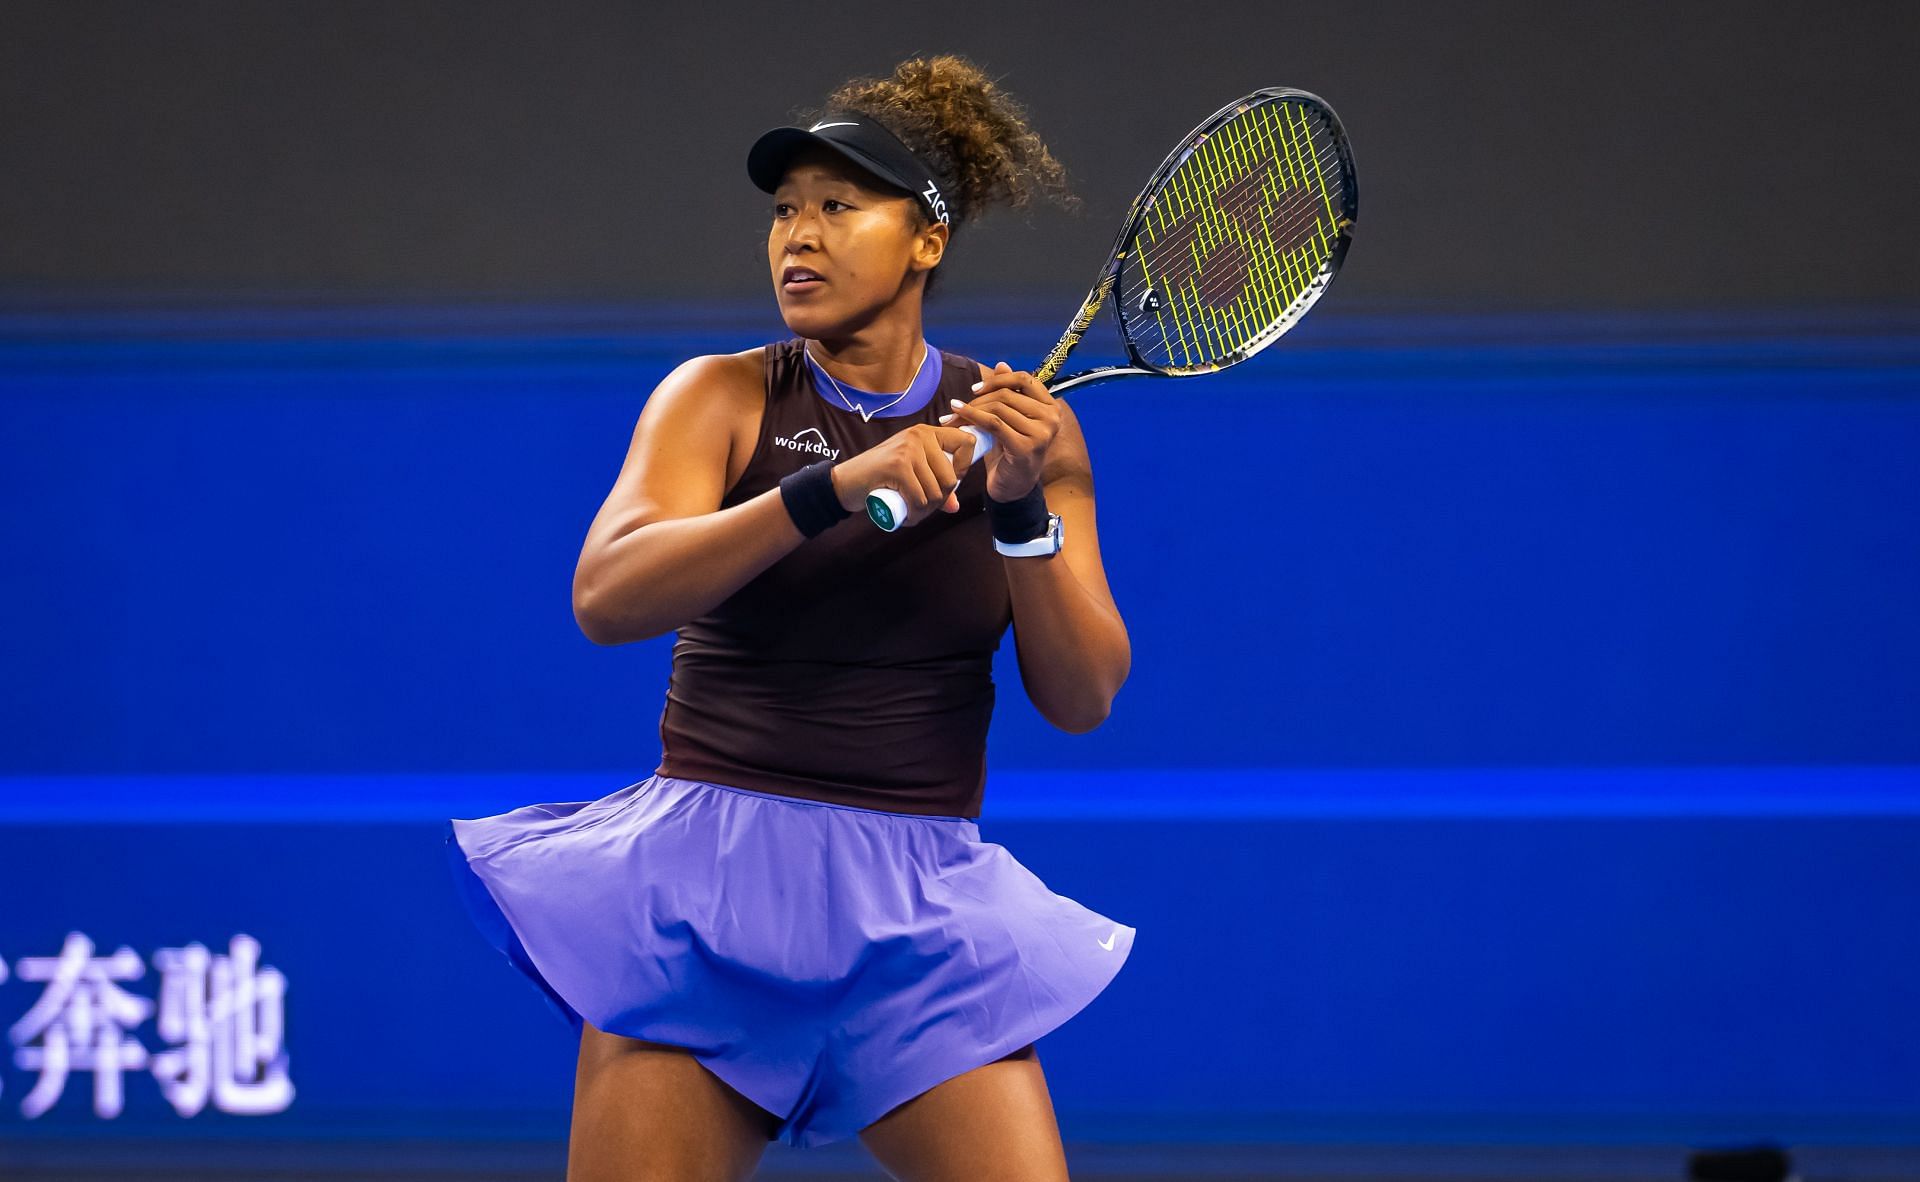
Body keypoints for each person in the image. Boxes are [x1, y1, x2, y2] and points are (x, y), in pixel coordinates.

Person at [445, 54, 1135, 1182]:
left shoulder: (1029, 439)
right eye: (784, 211)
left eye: (837, 206)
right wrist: (821, 493)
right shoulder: (721, 396)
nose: (797, 237)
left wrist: (1018, 512)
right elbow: (608, 594)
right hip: (704, 905)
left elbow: (1082, 696)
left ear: (928, 240)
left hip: (920, 924)